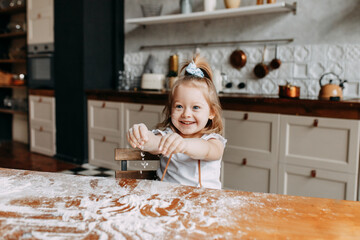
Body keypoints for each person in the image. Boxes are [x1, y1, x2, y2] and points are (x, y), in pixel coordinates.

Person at [127, 55, 226, 189]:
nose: (186, 114)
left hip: (203, 204)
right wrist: (142, 135)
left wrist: (183, 145)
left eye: (195, 107)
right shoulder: (168, 135)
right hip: (168, 201)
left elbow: (208, 150)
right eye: (179, 106)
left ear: (211, 112)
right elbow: (153, 142)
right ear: (170, 108)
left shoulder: (213, 141)